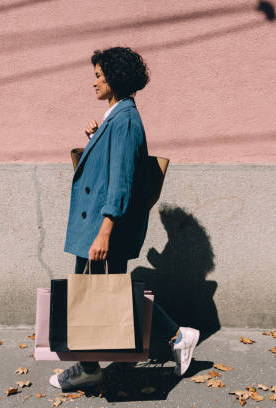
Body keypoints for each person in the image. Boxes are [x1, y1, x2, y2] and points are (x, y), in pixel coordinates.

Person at [49, 47, 199, 391]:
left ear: (115, 79)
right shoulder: (116, 117)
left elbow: (121, 182)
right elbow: (111, 165)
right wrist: (94, 138)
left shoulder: (126, 120)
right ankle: (173, 338)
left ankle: (96, 364)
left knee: (98, 291)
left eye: (99, 76)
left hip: (105, 226)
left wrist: (104, 231)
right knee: (104, 291)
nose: (94, 82)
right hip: (99, 224)